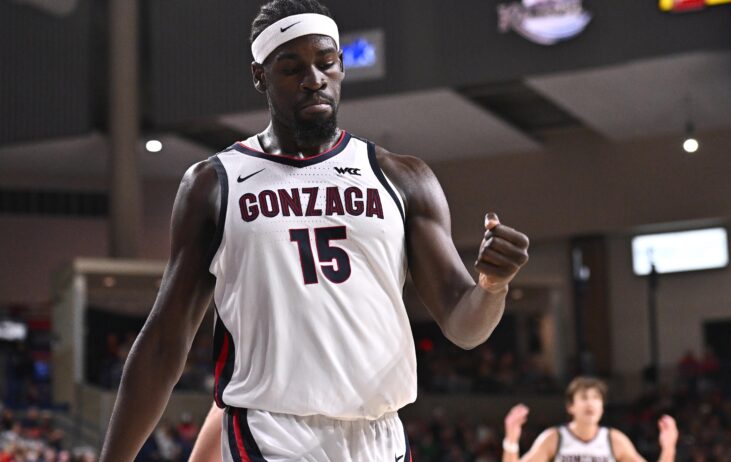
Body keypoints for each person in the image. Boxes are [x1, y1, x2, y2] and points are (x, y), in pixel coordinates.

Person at [99, 0, 530, 460]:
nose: (314, 79)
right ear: (260, 76)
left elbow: (465, 326)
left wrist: (492, 286)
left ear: (341, 66)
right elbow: (164, 343)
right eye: (292, 68)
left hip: (381, 435)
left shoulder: (403, 177)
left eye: (326, 63)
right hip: (272, 433)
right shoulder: (214, 183)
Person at [502, 377, 678, 462]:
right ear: (570, 407)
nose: (590, 403)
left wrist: (668, 448)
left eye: (596, 398)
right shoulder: (554, 438)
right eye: (584, 397)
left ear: (602, 406)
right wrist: (511, 441)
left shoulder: (614, 440)